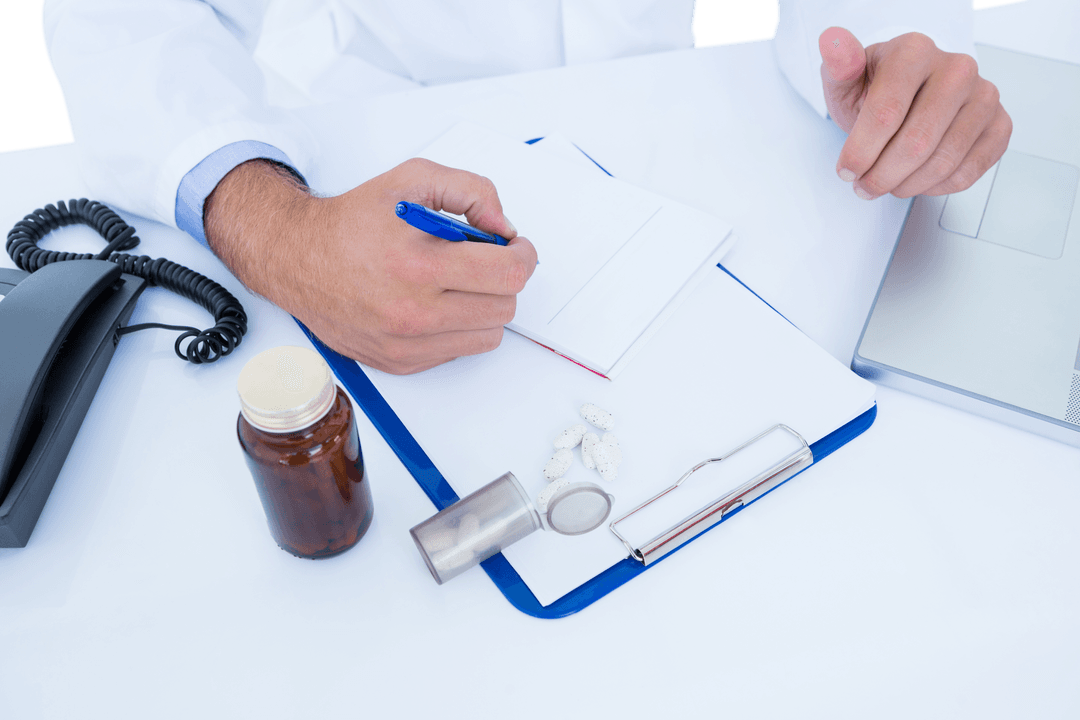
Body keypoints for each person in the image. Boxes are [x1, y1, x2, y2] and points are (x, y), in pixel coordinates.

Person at [42, 0, 1010, 374]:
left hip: (674, 146)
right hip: (360, 180)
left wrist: (900, 59)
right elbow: (120, 22)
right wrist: (278, 229)